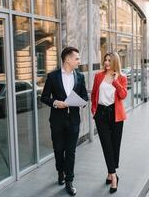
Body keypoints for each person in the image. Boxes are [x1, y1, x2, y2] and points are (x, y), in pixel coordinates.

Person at [41, 46, 88, 196]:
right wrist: (56, 102)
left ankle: (69, 180)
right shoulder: (53, 76)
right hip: (57, 121)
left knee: (71, 152)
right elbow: (44, 97)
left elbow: (85, 98)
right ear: (67, 59)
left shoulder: (80, 77)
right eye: (77, 58)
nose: (79, 61)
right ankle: (60, 171)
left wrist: (81, 102)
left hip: (74, 120)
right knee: (59, 150)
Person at [91, 52, 127, 193]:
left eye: (109, 60)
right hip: (101, 114)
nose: (106, 63)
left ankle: (109, 172)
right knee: (106, 145)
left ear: (115, 62)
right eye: (105, 60)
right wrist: (94, 110)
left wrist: (116, 81)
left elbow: (123, 95)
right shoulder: (98, 76)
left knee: (114, 146)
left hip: (116, 115)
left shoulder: (122, 77)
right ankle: (114, 177)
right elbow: (94, 94)